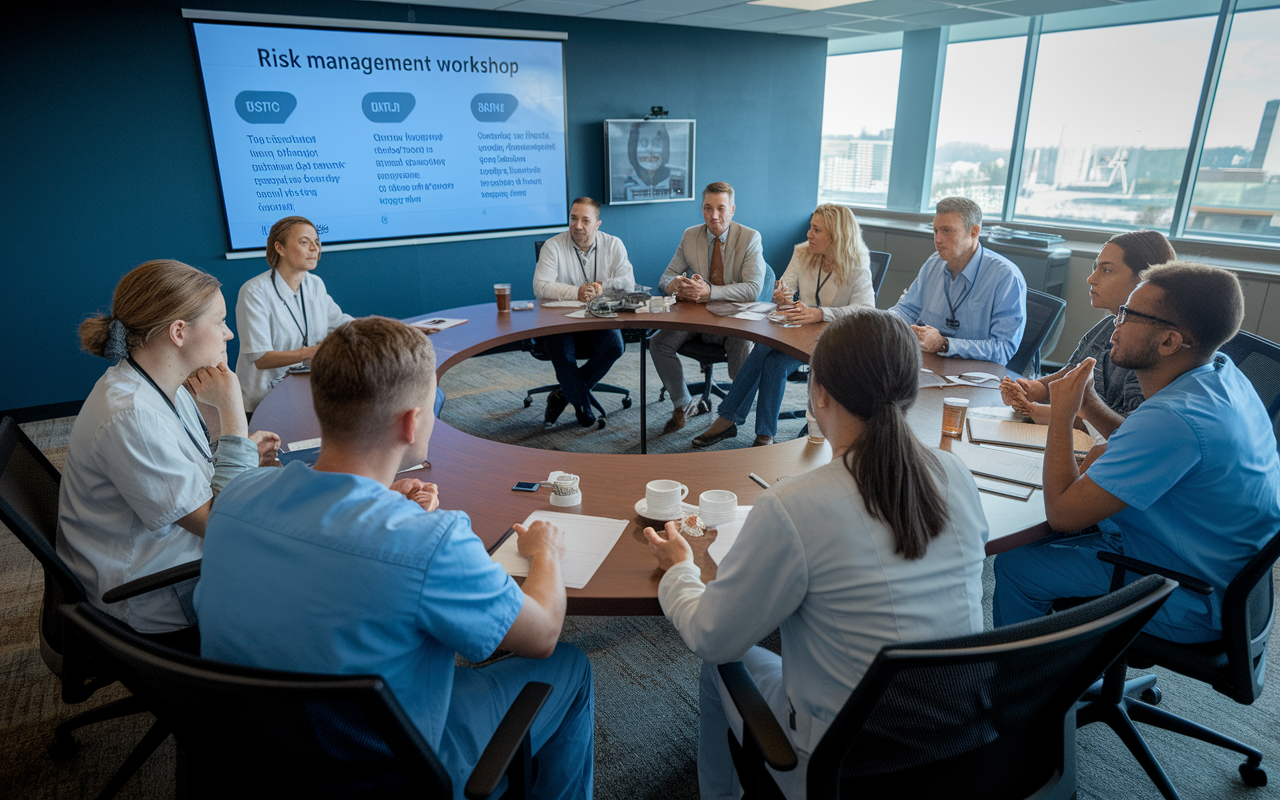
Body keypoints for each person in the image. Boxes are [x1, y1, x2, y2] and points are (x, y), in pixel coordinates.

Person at [194, 316, 594, 798]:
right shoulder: (430, 540)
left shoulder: (237, 497)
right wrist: (545, 552)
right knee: (569, 665)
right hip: (390, 770)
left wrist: (384, 503)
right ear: (411, 421)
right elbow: (543, 633)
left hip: (254, 753)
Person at [646, 310, 988, 799]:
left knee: (721, 664)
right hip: (957, 746)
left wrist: (680, 569)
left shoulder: (794, 506)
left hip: (841, 766)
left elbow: (712, 637)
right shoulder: (955, 475)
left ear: (818, 393)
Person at [994, 262, 1280, 644]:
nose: (1116, 322)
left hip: (1191, 594)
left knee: (1018, 564)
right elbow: (1142, 443)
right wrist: (1089, 403)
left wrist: (1062, 417)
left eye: (1129, 315)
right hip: (1219, 569)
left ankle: (1019, 692)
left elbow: (1062, 515)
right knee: (1037, 534)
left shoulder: (1174, 419)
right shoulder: (1220, 374)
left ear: (1168, 342)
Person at [57, 260, 279, 649]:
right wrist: (232, 415)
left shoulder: (162, 384)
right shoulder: (132, 416)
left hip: (175, 555)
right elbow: (221, 522)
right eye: (220, 321)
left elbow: (188, 464)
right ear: (179, 331)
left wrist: (240, 451)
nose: (229, 332)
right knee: (299, 582)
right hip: (156, 596)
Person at [691, 204, 876, 448]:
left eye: (817, 230)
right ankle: (764, 434)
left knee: (767, 353)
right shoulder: (802, 252)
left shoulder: (857, 263)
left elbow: (866, 310)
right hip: (801, 329)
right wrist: (782, 296)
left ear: (836, 236)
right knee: (769, 354)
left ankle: (730, 419)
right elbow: (785, 285)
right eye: (811, 227)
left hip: (836, 339)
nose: (809, 234)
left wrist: (821, 313)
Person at [1000, 230, 1176, 436]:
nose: (1091, 279)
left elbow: (1130, 433)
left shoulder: (1154, 346)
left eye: (1107, 270)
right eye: (1096, 268)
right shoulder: (1107, 325)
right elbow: (1070, 375)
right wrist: (1034, 388)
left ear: (1145, 279)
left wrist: (1044, 412)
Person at [652, 181, 767, 434]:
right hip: (696, 317)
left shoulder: (749, 238)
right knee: (658, 343)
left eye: (721, 208)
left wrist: (710, 292)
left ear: (732, 209)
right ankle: (682, 405)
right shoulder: (690, 235)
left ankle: (731, 416)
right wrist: (678, 286)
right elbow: (664, 279)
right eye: (707, 208)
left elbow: (752, 289)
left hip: (732, 321)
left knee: (742, 345)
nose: (714, 216)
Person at [532, 196, 635, 428]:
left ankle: (563, 395)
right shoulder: (553, 246)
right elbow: (540, 287)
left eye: (585, 220)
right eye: (573, 219)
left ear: (597, 224)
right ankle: (582, 407)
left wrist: (601, 287)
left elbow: (628, 283)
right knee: (563, 354)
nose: (578, 226)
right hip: (560, 319)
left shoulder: (613, 244)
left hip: (599, 315)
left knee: (615, 347)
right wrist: (576, 292)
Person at [235, 215, 353, 412]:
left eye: (316, 242)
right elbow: (263, 358)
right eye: (304, 242)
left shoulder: (315, 284)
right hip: (262, 401)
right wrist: (313, 351)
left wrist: (388, 329)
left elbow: (341, 323)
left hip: (305, 389)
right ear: (279, 248)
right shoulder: (254, 291)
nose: (314, 249)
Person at [889, 196, 1027, 365]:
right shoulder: (933, 263)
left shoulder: (1006, 277)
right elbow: (907, 310)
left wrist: (945, 345)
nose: (938, 239)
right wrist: (883, 323)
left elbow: (1003, 348)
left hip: (977, 376)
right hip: (932, 365)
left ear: (974, 232)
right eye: (935, 231)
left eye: (947, 231)